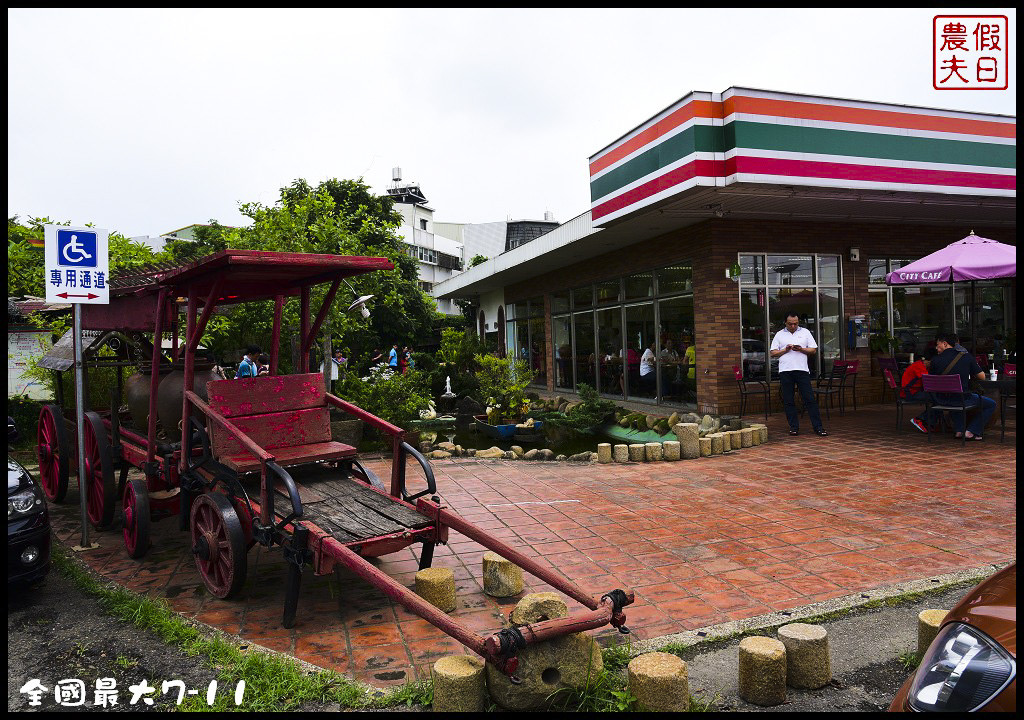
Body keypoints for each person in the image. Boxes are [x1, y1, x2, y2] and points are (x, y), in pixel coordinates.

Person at [770, 314, 827, 437]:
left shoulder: (805, 332)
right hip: (786, 371)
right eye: (790, 323)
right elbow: (772, 353)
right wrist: (785, 350)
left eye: (795, 323)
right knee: (789, 400)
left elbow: (813, 350)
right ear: (785, 322)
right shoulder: (779, 334)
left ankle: (818, 427)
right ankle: (794, 427)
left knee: (810, 399)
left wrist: (801, 349)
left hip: (802, 371)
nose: (793, 326)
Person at [931, 332, 995, 440]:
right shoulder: (966, 357)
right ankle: (972, 431)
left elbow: (932, 379)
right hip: (961, 399)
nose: (936, 348)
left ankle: (959, 430)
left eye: (938, 345)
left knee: (955, 395)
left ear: (945, 344)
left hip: (940, 399)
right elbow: (982, 377)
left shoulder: (935, 360)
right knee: (991, 404)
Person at [900, 348, 937, 433]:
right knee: (938, 399)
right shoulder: (919, 367)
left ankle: (930, 422)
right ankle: (920, 419)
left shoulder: (919, 364)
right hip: (910, 393)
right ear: (929, 361)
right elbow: (929, 382)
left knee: (937, 398)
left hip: (912, 391)